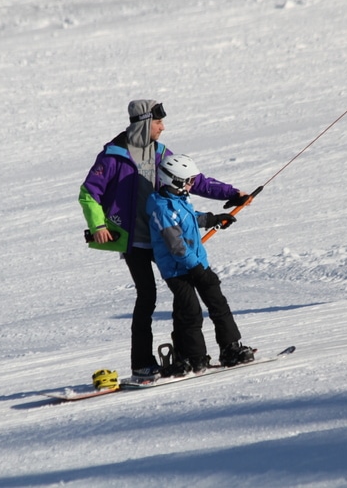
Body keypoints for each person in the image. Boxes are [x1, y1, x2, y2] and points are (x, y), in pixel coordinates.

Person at [79, 100, 249, 377]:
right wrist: (98, 225)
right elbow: (88, 194)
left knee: (183, 296)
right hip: (133, 241)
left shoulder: (160, 152)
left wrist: (231, 193)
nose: (163, 127)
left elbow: (194, 179)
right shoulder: (113, 157)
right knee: (146, 298)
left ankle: (186, 355)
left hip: (163, 239)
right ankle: (142, 363)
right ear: (145, 123)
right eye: (158, 123)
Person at [147, 153, 255, 375]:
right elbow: (176, 246)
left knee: (218, 302)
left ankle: (230, 349)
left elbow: (189, 217)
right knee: (191, 312)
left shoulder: (179, 199)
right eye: (189, 180)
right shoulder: (161, 207)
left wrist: (213, 219)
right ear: (174, 180)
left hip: (196, 263)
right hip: (177, 270)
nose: (192, 184)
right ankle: (195, 358)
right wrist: (196, 269)